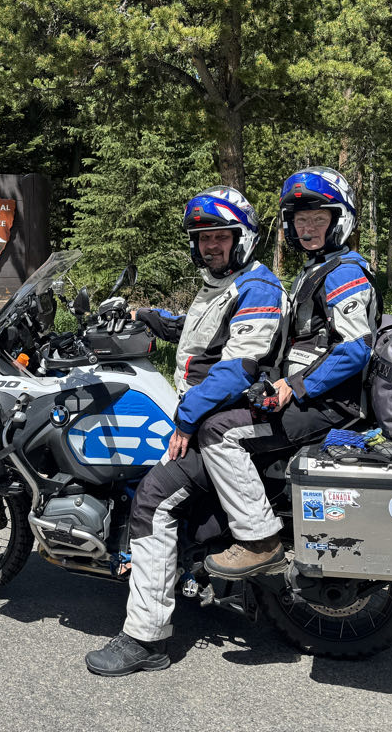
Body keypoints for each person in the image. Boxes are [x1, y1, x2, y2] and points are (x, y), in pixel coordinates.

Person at [85, 186, 287, 676]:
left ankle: (146, 638)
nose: (211, 245)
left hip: (222, 417)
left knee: (152, 500)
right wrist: (146, 317)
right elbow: (202, 335)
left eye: (221, 236)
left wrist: (187, 418)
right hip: (206, 412)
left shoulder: (258, 289)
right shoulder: (225, 285)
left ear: (242, 238)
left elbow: (238, 366)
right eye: (203, 238)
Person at [200, 166, 380, 580]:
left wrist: (294, 387)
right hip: (312, 396)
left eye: (318, 218)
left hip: (332, 403)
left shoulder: (344, 271)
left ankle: (259, 543)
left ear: (340, 221)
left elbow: (356, 348)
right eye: (301, 220)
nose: (308, 228)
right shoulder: (318, 268)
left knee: (218, 431)